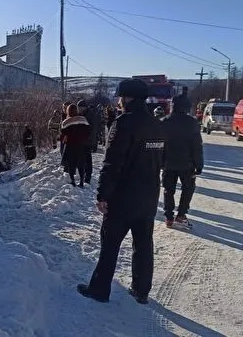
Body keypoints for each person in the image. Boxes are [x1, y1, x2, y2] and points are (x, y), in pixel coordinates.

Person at [77, 79, 165, 305]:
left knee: (110, 243)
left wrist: (103, 194)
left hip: (124, 196)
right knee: (144, 243)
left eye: (120, 97)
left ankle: (99, 289)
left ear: (128, 98)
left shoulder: (123, 123)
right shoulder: (156, 124)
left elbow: (112, 163)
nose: (118, 101)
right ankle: (141, 290)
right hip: (149, 196)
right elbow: (160, 160)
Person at [160, 95, 203, 229]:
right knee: (188, 188)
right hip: (187, 164)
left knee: (168, 189)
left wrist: (159, 162)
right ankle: (181, 215)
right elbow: (197, 146)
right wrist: (199, 165)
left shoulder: (164, 121)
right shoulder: (192, 122)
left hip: (168, 163)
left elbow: (160, 144)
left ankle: (168, 217)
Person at [60, 104, 90, 187]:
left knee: (71, 163)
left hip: (70, 145)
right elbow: (88, 131)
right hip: (81, 145)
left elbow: (63, 134)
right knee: (81, 163)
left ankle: (72, 181)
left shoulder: (66, 122)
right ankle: (81, 181)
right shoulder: (83, 119)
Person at [77, 99, 100, 184]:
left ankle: (88, 176)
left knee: (87, 159)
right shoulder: (81, 114)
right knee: (82, 159)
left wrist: (89, 138)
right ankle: (83, 175)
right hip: (81, 140)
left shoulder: (90, 115)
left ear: (84, 107)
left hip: (87, 140)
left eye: (80, 107)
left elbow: (93, 129)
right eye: (78, 107)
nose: (79, 109)